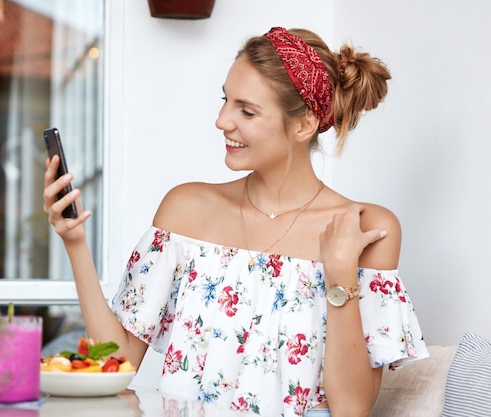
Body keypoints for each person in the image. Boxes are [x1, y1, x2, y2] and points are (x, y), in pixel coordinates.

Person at [43, 26, 428, 417]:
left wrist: (341, 278)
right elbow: (119, 361)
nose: (222, 120)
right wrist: (75, 244)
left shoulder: (366, 229)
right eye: (226, 100)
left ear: (304, 124)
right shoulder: (186, 210)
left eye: (246, 110)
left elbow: (352, 410)